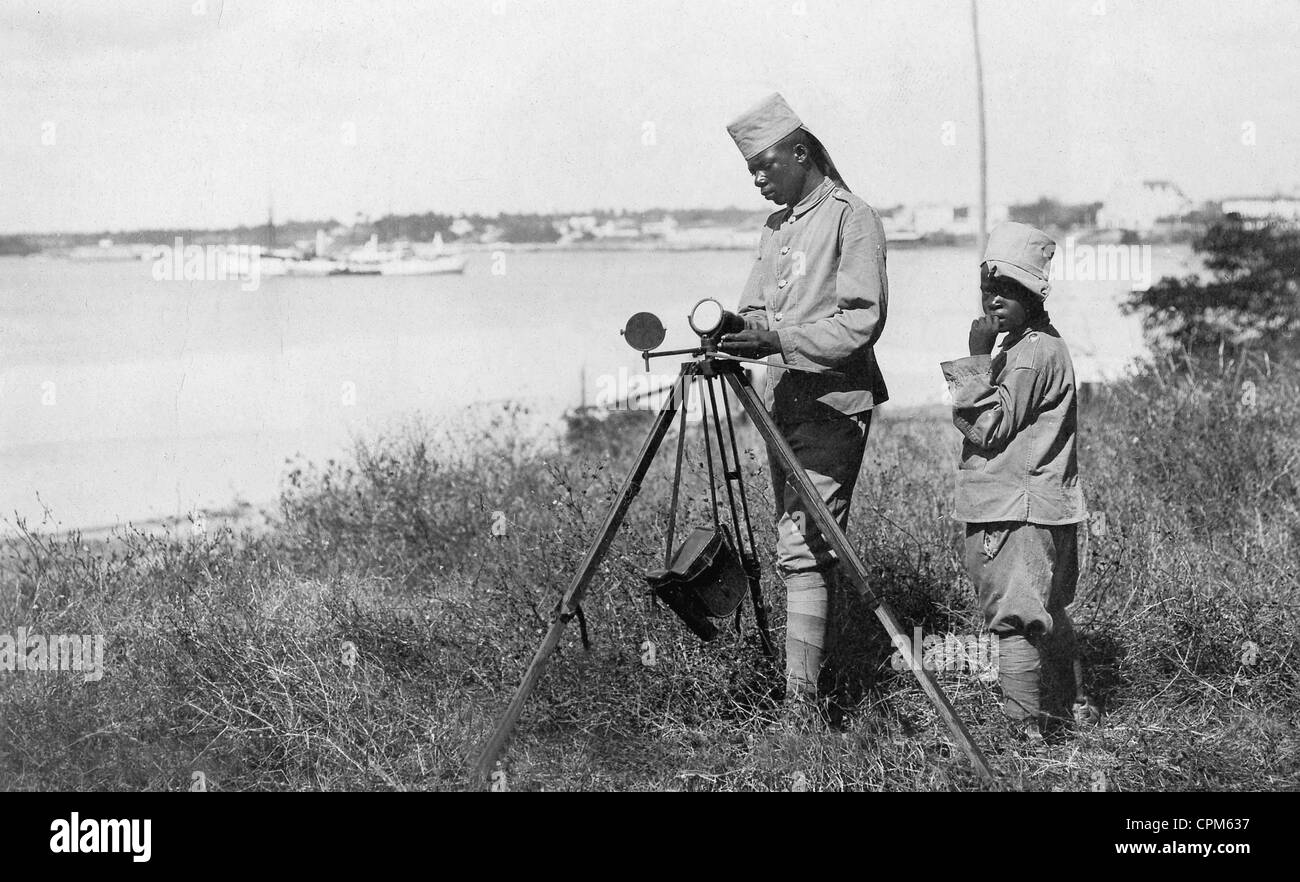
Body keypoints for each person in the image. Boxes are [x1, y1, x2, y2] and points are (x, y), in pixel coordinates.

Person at [717, 93, 888, 710]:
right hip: (780, 406)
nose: (760, 180)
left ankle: (801, 711)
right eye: (751, 172)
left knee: (805, 546)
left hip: (834, 402)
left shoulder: (852, 217)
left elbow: (859, 323)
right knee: (797, 541)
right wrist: (732, 329)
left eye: (765, 166)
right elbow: (758, 310)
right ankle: (809, 693)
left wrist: (776, 339)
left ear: (799, 151)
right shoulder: (776, 228)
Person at [940, 221, 1100, 741]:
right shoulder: (1040, 346)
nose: (995, 300)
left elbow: (987, 425)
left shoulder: (1028, 354)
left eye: (1011, 290)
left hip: (1015, 510)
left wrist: (975, 356)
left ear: (1035, 295)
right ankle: (1068, 712)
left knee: (1015, 621)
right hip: (1039, 507)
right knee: (1043, 613)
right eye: (990, 288)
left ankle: (1021, 741)